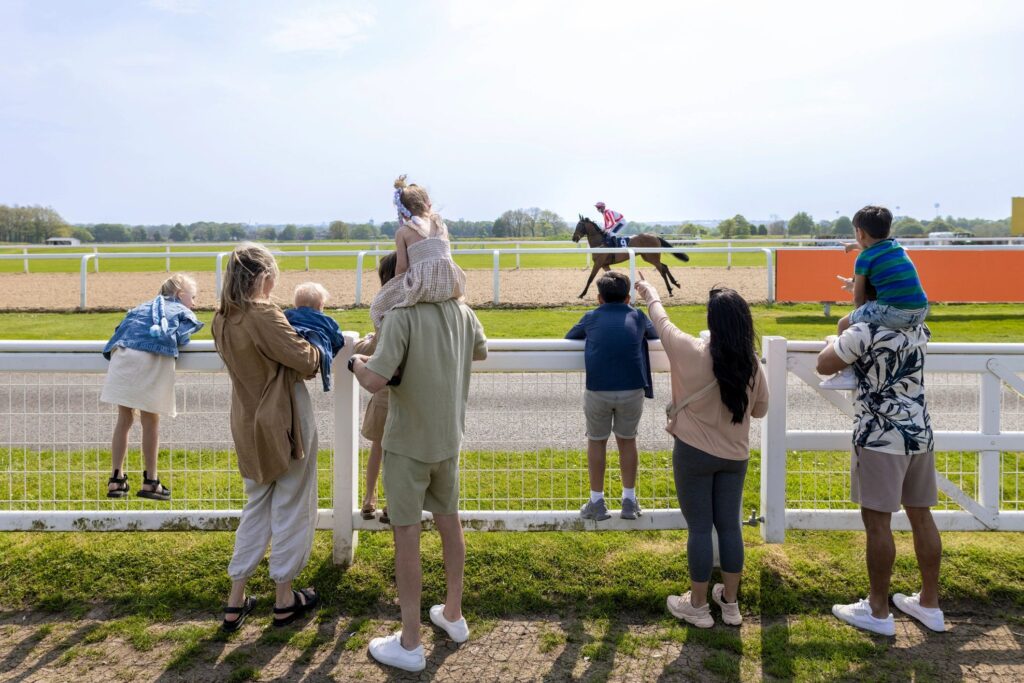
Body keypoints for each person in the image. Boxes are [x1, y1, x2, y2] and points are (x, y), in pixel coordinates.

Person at [350, 296, 487, 673]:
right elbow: (480, 351)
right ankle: (453, 614)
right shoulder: (463, 311)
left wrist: (355, 362)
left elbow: (375, 378)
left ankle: (410, 643)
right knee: (449, 522)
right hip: (447, 439)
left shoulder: (401, 315)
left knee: (406, 534)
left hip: (408, 442)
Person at [633, 276, 769, 629]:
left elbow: (661, 321)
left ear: (712, 322)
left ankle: (697, 605)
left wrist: (650, 293)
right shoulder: (752, 363)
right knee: (730, 527)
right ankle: (730, 604)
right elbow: (760, 410)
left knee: (699, 529)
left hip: (693, 453)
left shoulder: (690, 350)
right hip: (735, 456)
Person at [212, 243, 322, 632]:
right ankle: (284, 597)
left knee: (256, 506)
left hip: (246, 420)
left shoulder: (221, 319)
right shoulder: (264, 314)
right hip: (284, 420)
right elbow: (306, 360)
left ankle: (235, 600)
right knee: (292, 504)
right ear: (263, 277)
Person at [817, 321, 943, 636]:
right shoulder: (917, 326)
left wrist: (850, 321)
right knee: (922, 516)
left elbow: (824, 364)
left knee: (877, 524)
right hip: (918, 431)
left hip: (880, 436)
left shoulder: (865, 330)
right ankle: (930, 604)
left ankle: (877, 610)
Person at [101, 273, 203, 502]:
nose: (195, 303)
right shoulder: (181, 310)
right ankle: (151, 480)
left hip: (123, 357)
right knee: (150, 421)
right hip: (151, 360)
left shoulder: (141, 307)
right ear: (180, 295)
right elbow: (182, 336)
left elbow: (119, 330)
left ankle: (116, 479)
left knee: (124, 419)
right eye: (193, 297)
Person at [565, 271, 658, 521]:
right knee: (627, 441)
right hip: (632, 389)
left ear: (599, 298)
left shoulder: (591, 316)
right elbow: (655, 335)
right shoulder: (638, 315)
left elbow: (570, 337)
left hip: (598, 389)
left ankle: (597, 502)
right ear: (628, 298)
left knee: (597, 442)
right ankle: (629, 501)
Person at [821, 205, 928, 389]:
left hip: (894, 312)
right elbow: (874, 246)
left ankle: (847, 373)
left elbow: (858, 298)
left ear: (860, 232)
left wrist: (858, 317)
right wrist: (853, 246)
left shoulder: (864, 258)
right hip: (921, 311)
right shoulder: (896, 247)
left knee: (843, 323)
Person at [368, 175, 467, 330]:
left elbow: (401, 266)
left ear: (402, 211)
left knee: (378, 306)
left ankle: (380, 338)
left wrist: (396, 286)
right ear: (428, 204)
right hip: (450, 283)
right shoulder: (441, 225)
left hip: (422, 286)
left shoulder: (403, 231)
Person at [355, 252, 399, 522]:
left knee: (378, 447)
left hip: (384, 392)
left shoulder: (385, 311)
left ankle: (369, 497)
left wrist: (364, 342)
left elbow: (374, 347)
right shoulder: (405, 308)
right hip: (401, 393)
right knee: (397, 453)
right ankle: (392, 502)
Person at [284, 282, 345, 392]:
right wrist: (332, 351)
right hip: (314, 351)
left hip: (292, 350)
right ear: (320, 305)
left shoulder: (288, 314)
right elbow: (338, 339)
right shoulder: (327, 321)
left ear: (296, 304)